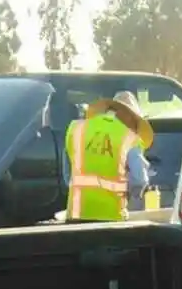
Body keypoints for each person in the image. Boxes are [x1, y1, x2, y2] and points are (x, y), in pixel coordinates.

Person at [65, 90, 155, 222]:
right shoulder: (129, 138)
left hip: (76, 214)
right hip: (111, 217)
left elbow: (67, 173)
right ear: (130, 117)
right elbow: (139, 180)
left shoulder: (76, 128)